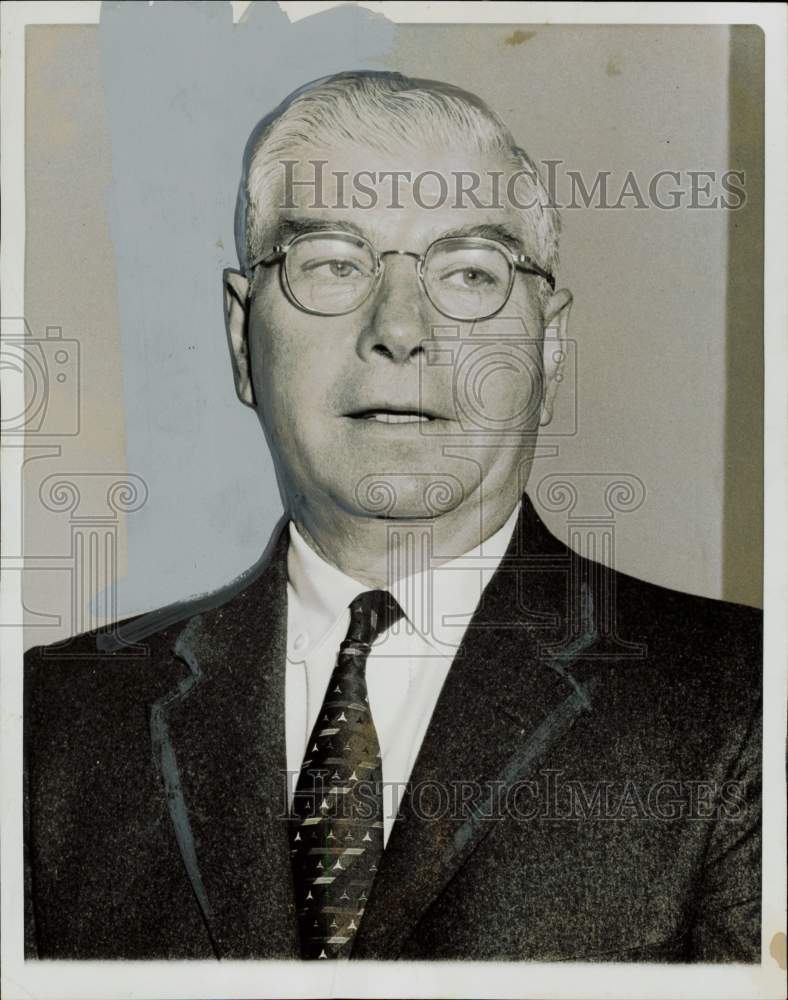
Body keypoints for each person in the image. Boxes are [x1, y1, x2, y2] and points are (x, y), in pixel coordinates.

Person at [24, 71, 761, 962]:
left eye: (468, 273)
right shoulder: (44, 724)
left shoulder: (749, 701)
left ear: (549, 346)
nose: (401, 329)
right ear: (239, 337)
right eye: (334, 262)